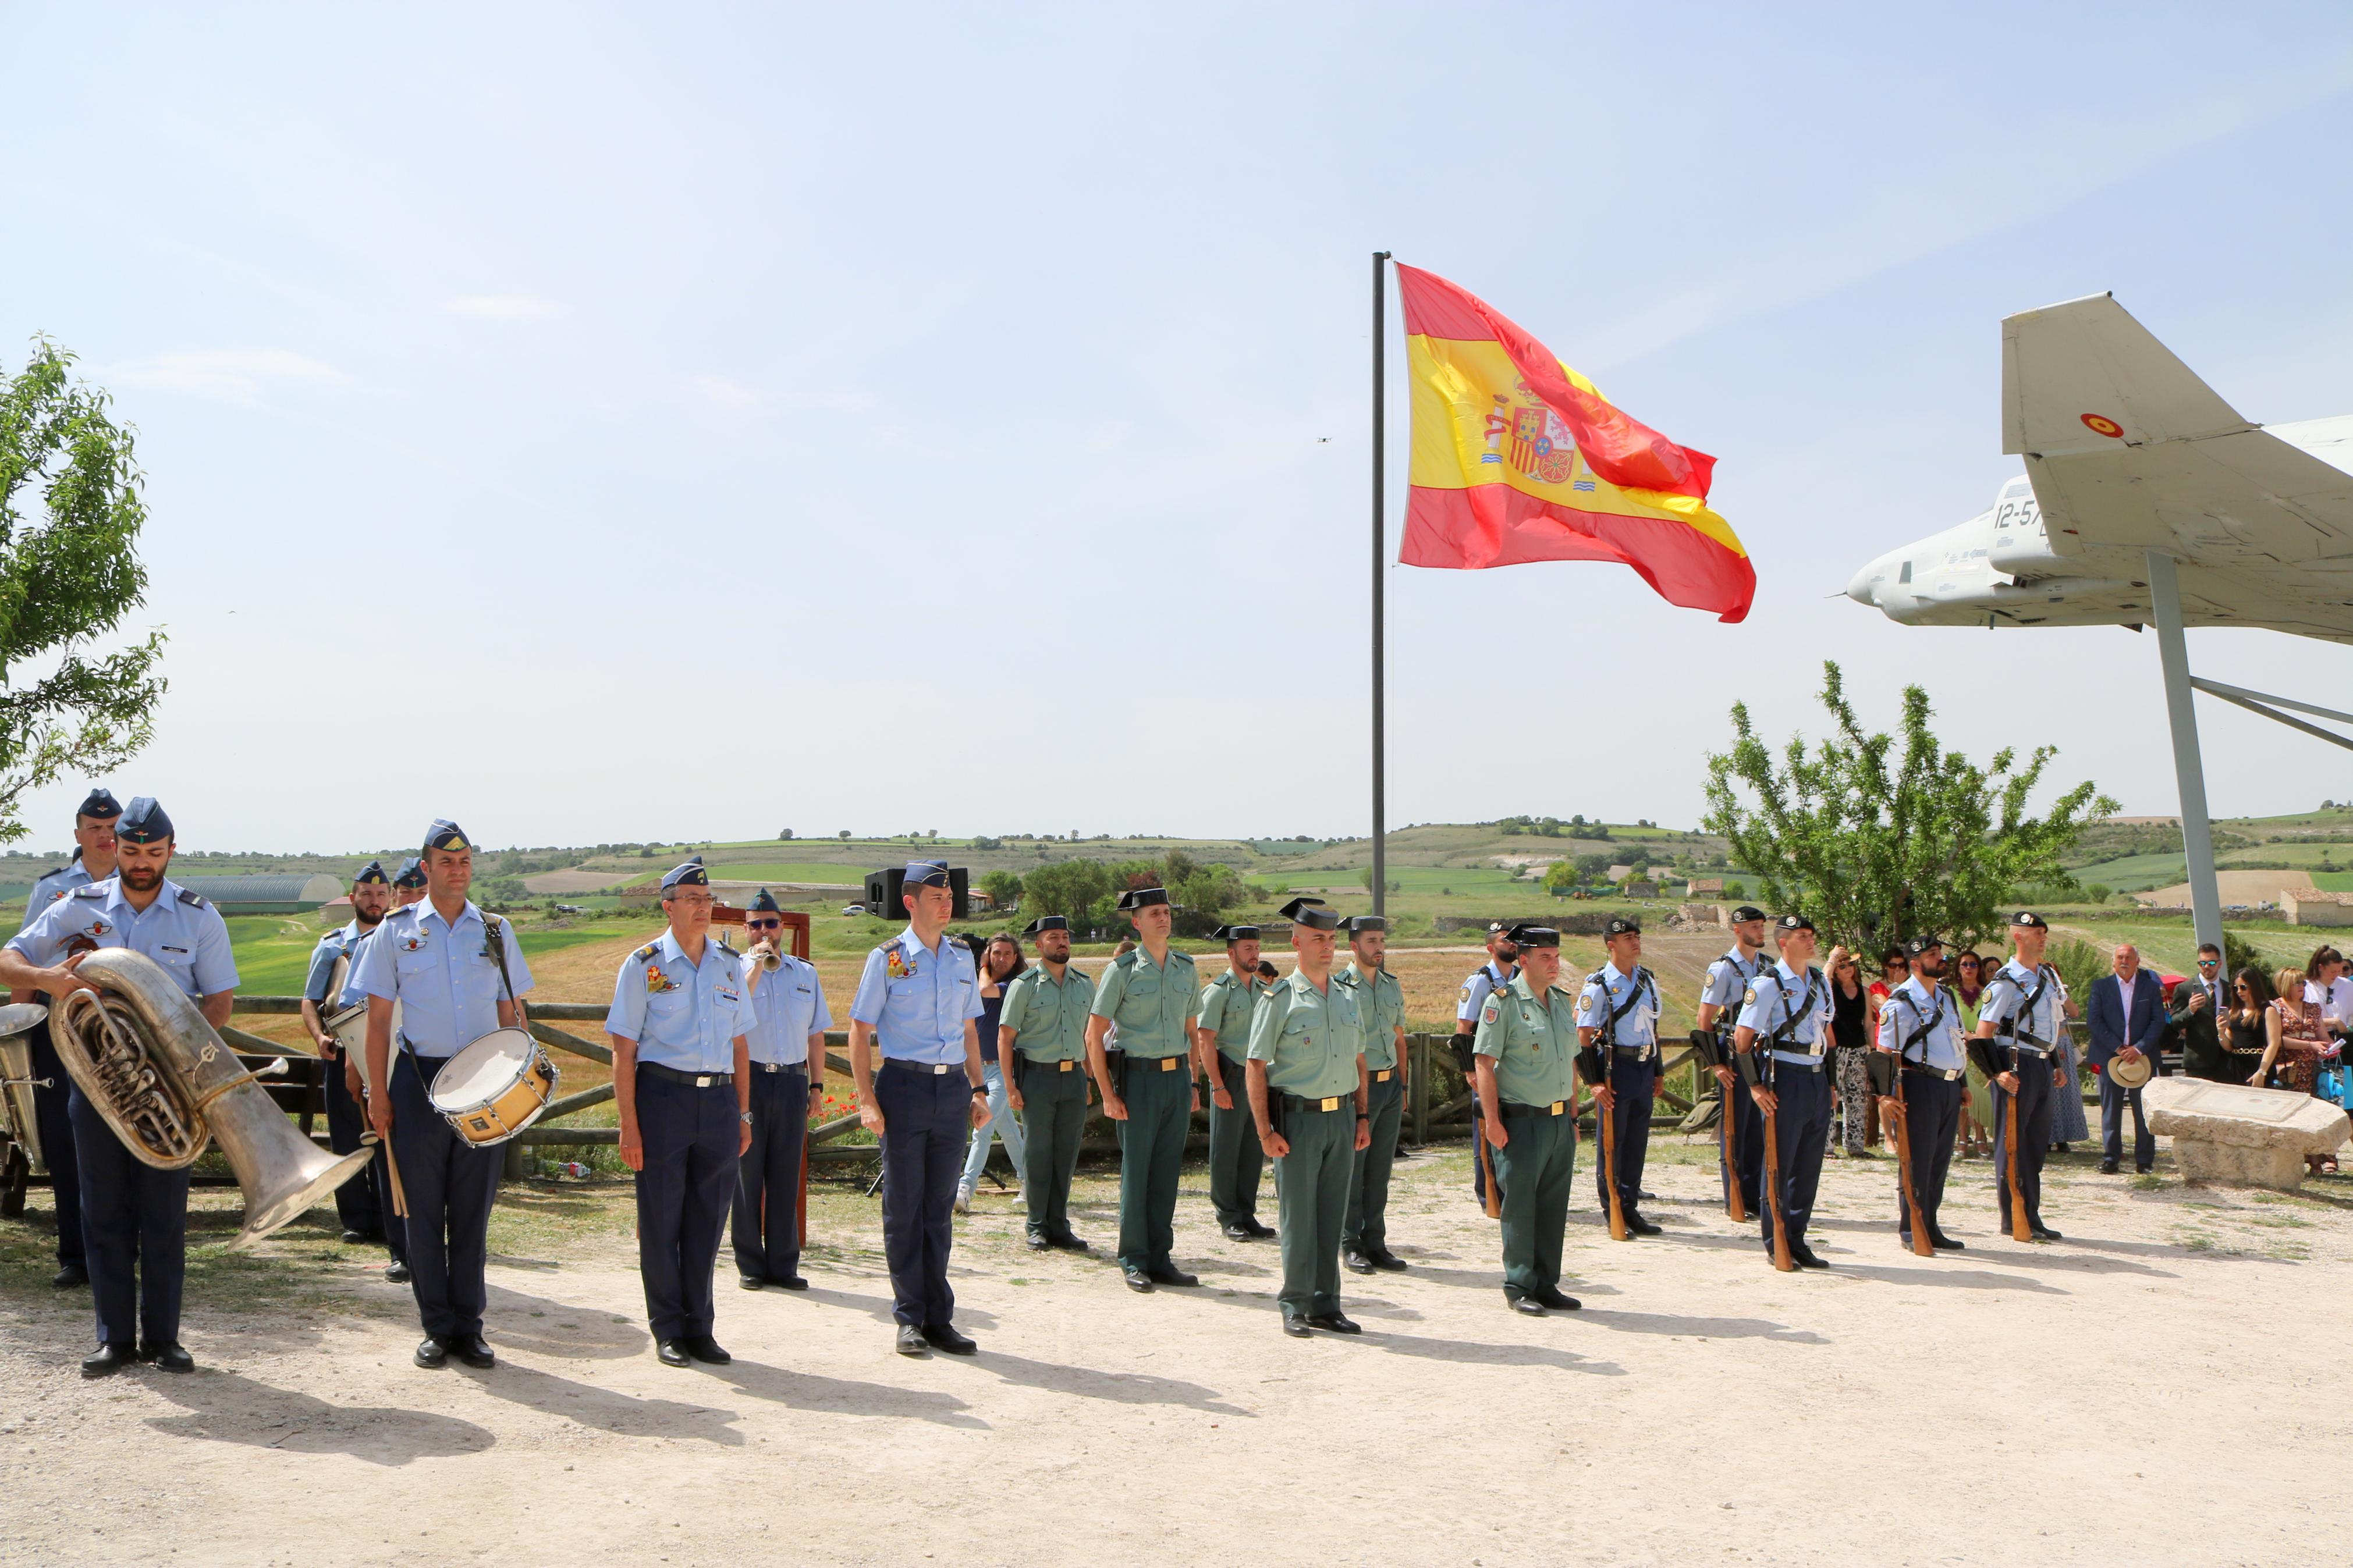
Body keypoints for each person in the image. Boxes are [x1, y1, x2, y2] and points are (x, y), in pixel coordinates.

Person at [0, 796, 235, 1375]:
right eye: (132, 851)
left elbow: (221, 1002)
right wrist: (45, 979)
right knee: (100, 1208)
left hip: (169, 1085)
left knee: (163, 1213)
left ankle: (164, 1337)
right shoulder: (76, 906)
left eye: (154, 852)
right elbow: (10, 960)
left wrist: (177, 1052)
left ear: (170, 851)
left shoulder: (198, 915)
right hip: (97, 1083)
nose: (141, 863)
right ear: (115, 849)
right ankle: (113, 1338)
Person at [352, 819, 534, 1371]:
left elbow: (511, 1011)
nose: (457, 871)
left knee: (472, 1213)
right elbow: (378, 1021)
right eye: (445, 862)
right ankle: (436, 1327)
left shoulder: (496, 931)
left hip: (485, 1080)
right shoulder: (395, 929)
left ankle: (470, 1327)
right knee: (423, 1213)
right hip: (417, 1079)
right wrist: (378, 1095)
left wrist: (522, 1074)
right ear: (426, 869)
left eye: (465, 862)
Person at [605, 862, 755, 1366]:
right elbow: (622, 1051)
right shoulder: (643, 964)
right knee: (662, 1219)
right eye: (691, 897)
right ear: (668, 905)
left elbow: (740, 1045)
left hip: (717, 1101)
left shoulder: (730, 964)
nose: (702, 906)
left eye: (708, 897)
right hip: (662, 1100)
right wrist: (629, 1123)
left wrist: (743, 1113)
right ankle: (667, 1327)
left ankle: (700, 1327)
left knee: (707, 1221)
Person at [849, 861, 988, 1357]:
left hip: (951, 1089)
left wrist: (977, 1089)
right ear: (910, 902)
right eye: (936, 896)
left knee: (938, 1209)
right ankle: (909, 1317)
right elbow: (859, 1032)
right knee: (904, 1207)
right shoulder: (885, 959)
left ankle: (939, 1317)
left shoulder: (960, 956)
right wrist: (867, 1099)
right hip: (903, 1088)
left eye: (949, 895)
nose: (947, 903)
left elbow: (970, 1029)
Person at [10, 786, 122, 1290]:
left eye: (113, 827)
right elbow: (24, 964)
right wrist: (23, 1033)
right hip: (59, 1035)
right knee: (65, 1142)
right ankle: (75, 1254)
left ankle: (126, 1247)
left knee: (128, 1138)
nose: (105, 836)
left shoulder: (142, 885)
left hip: (123, 1036)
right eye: (95, 828)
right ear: (78, 834)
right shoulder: (51, 890)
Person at [1247, 898, 1369, 1336]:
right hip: (1297, 1121)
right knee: (1298, 1217)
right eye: (1318, 938)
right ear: (1295, 942)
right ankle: (1295, 1303)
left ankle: (1325, 1303)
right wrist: (1264, 1130)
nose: (1327, 947)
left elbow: (1359, 1061)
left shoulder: (1346, 995)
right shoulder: (1278, 998)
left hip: (1340, 1118)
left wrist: (1362, 1116)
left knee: (1331, 1216)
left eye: (1332, 939)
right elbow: (1256, 1065)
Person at [1086, 886, 1200, 1293]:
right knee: (1138, 1171)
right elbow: (1093, 1033)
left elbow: (1193, 1031)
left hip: (1174, 1078)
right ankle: (1134, 1257)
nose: (1163, 918)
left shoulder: (1186, 967)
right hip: (1138, 1079)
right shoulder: (1122, 971)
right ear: (1136, 922)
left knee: (1167, 1170)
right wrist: (1107, 1093)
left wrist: (1192, 1080)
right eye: (1153, 913)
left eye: (1166, 911)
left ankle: (1160, 1256)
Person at [1471, 923, 1581, 1314]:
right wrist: (1493, 1121)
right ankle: (1518, 1284)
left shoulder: (1561, 1001)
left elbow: (1569, 1060)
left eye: (1556, 956)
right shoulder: (1502, 1002)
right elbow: (1484, 1063)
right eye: (1545, 957)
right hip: (1520, 1121)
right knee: (1520, 1207)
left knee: (1553, 1206)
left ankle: (1546, 1282)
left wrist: (1571, 1113)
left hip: (1556, 1122)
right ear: (1523, 960)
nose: (1554, 964)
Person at [732, 887, 831, 1292]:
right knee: (747, 1174)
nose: (764, 932)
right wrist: (756, 965)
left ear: (782, 927)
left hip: (791, 1079)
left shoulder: (805, 973)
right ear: (746, 930)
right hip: (749, 1079)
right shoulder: (733, 970)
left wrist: (816, 1085)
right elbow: (735, 1011)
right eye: (756, 925)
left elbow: (816, 1035)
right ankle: (750, 1264)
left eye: (771, 924)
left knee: (786, 1174)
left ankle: (783, 1263)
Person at [299, 860, 392, 1253]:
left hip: (386, 1056)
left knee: (388, 1137)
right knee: (346, 1135)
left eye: (381, 894)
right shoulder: (333, 945)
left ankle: (390, 1216)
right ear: (353, 897)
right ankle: (355, 1219)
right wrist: (319, 1036)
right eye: (366, 894)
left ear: (389, 898)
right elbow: (311, 999)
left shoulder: (396, 939)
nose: (374, 901)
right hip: (340, 1053)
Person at [1733, 914, 1836, 1268]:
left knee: (1808, 1166)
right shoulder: (1768, 984)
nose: (1810, 941)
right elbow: (1742, 1039)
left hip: (1816, 1075)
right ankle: (1775, 1239)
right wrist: (1756, 1086)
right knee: (1779, 1162)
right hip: (1785, 1075)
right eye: (1802, 936)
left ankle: (1798, 1237)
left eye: (1811, 935)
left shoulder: (1820, 981)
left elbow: (1828, 1036)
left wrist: (1831, 1083)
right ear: (1784, 942)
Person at [1971, 912, 2070, 1241]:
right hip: (2015, 1066)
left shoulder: (2048, 977)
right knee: (2010, 1143)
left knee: (2035, 1145)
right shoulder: (2006, 981)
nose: (2043, 938)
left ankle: (2032, 1214)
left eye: (2044, 933)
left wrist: (2055, 1062)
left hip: (2041, 1064)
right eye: (2036, 933)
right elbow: (1983, 1032)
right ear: (2019, 937)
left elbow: (2049, 1026)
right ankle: (2011, 1216)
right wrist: (1996, 1072)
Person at [1000, 915, 1094, 1251]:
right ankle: (1037, 1225)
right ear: (1039, 946)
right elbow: (1006, 1038)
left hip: (1073, 1078)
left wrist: (1087, 1079)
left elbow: (1089, 1036)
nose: (1062, 942)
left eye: (1066, 936)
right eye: (1053, 937)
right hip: (1037, 1078)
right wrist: (1011, 1086)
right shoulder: (1023, 986)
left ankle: (1060, 1225)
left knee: (1066, 1155)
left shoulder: (1085, 985)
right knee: (1038, 1153)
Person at [1872, 935, 1966, 1250]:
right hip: (1919, 1085)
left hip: (1949, 1084)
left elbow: (1955, 1041)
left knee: (1939, 1161)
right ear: (1915, 964)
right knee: (1917, 1160)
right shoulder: (1902, 1002)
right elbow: (1884, 1053)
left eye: (1939, 952)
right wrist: (1885, 1096)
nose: (1940, 958)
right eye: (1932, 954)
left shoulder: (1947, 997)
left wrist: (1963, 1085)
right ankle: (1911, 1227)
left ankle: (1931, 1224)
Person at [1577, 915, 1662, 1236]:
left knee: (1637, 1141)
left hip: (1643, 1066)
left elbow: (1653, 1028)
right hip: (1616, 1069)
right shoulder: (1598, 984)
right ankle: (1612, 1207)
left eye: (1637, 936)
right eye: (1628, 937)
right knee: (1613, 1142)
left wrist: (1658, 1070)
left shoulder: (1647, 979)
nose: (1636, 941)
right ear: (1611, 945)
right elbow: (1583, 1034)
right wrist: (1594, 1081)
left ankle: (1630, 1206)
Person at [1336, 915, 1408, 1272]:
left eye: (1381, 940)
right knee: (1355, 1169)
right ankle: (1350, 1242)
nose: (1378, 947)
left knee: (1380, 1169)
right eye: (1371, 941)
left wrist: (1404, 1085)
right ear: (1354, 946)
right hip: (1358, 1089)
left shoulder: (1391, 985)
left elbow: (1398, 1038)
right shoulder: (1340, 987)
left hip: (1390, 1084)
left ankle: (1375, 1241)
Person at [1194, 923, 1273, 1241]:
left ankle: (1247, 1212)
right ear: (1231, 953)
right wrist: (1218, 1085)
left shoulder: (1264, 991)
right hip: (1230, 1075)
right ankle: (1228, 1216)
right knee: (1226, 1149)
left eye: (1256, 948)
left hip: (1258, 1077)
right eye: (1247, 949)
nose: (1254, 954)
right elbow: (1205, 1041)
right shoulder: (1218, 992)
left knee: (1254, 1148)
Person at [1696, 905, 1771, 1217]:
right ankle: (1737, 1197)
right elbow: (1704, 1019)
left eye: (1763, 925)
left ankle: (1758, 1195)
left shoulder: (1769, 965)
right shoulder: (1724, 968)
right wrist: (1717, 1064)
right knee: (1737, 1128)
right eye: (1754, 926)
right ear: (1737, 929)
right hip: (1734, 1055)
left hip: (1763, 1053)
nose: (1761, 931)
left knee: (1760, 1128)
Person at [957, 933, 1028, 1214]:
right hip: (977, 1068)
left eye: (1007, 954)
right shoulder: (977, 979)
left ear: (1016, 958)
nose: (1002, 959)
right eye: (996, 953)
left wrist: (984, 965)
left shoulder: (1015, 984)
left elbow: (985, 991)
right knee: (1009, 1132)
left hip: (1000, 1069)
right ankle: (1030, 1183)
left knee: (982, 1126)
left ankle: (965, 1189)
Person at [1454, 922, 1520, 1211]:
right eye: (1506, 941)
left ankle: (1512, 1188)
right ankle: (1488, 1194)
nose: (1513, 945)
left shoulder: (1520, 978)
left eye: (1514, 940)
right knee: (1486, 1132)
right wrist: (1470, 1071)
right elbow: (1463, 1030)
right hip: (1486, 1070)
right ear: (1491, 948)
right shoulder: (1480, 982)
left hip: (1515, 1069)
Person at [2086, 943, 2166, 1175]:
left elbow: (2158, 1022)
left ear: (2137, 962)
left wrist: (2139, 1049)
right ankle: (2111, 1158)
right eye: (2120, 957)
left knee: (2142, 1110)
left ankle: (2145, 1161)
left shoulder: (2150, 988)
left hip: (2142, 1059)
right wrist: (2119, 1048)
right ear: (2113, 962)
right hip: (2110, 1057)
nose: (2124, 961)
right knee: (2110, 1110)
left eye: (2129, 957)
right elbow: (2095, 1021)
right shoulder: (2101, 987)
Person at [1825, 945, 1873, 1158]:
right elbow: (1823, 979)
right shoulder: (1831, 989)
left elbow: (1869, 1024)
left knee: (1857, 1098)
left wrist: (1872, 1052)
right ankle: (1826, 1146)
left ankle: (1855, 1146)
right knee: (1831, 1095)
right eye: (1842, 966)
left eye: (1850, 965)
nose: (1847, 969)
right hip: (1835, 1048)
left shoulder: (1865, 992)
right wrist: (1831, 960)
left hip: (1858, 1048)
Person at [1953, 951, 1994, 1159]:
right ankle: (1962, 1138)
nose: (1968, 968)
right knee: (1963, 1094)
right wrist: (1965, 1035)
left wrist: (1979, 1038)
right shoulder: (1949, 992)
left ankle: (1981, 1138)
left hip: (1982, 1048)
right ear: (1958, 968)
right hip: (1957, 1048)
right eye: (1964, 964)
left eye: (1973, 964)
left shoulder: (1988, 993)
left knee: (1980, 1096)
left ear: (1979, 968)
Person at [2170, 944, 2229, 1082]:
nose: (2206, 967)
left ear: (2220, 964)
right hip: (2197, 1060)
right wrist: (2190, 1009)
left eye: (2211, 963)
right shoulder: (2184, 989)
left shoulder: (2229, 988)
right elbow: (2175, 1022)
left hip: (2226, 1058)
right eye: (2202, 963)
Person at [2221, 967, 2277, 1086]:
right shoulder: (2233, 1012)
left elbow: (2273, 1043)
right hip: (2236, 1066)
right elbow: (2228, 1047)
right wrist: (2220, 1032)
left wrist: (2262, 1072)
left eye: (2243, 987)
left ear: (2254, 986)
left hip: (2259, 1063)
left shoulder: (2268, 1011)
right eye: (2236, 988)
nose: (2239, 992)